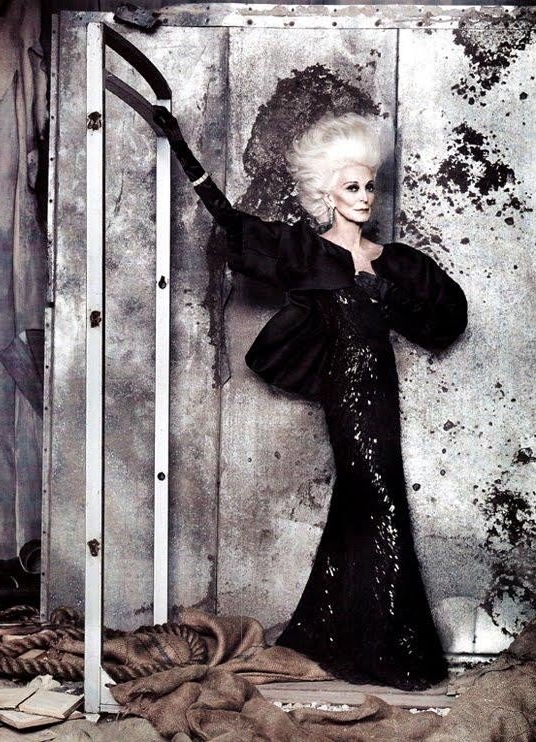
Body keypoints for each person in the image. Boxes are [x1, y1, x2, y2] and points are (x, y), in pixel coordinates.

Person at [153, 105, 468, 691]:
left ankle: (333, 636)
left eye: (369, 186)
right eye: (351, 187)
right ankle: (392, 650)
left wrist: (389, 295)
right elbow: (231, 221)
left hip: (382, 392)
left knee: (361, 505)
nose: (364, 197)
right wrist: (183, 151)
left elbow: (445, 317)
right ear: (327, 193)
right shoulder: (308, 253)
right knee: (379, 503)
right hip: (345, 395)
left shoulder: (391, 261)